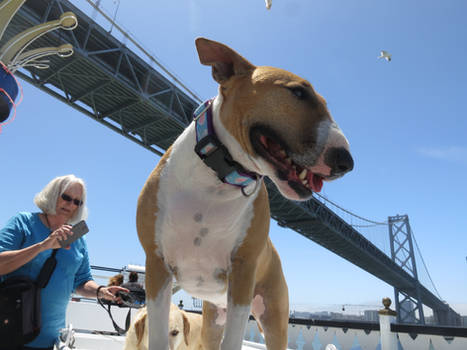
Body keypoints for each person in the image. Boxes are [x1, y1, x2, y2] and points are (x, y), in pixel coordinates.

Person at [0, 174, 128, 350]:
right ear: (52, 195)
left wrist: (101, 291)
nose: (71, 204)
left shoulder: (78, 239)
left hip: (51, 340)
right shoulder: (24, 222)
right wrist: (42, 246)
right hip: (9, 333)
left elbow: (82, 280)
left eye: (78, 201)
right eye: (66, 197)